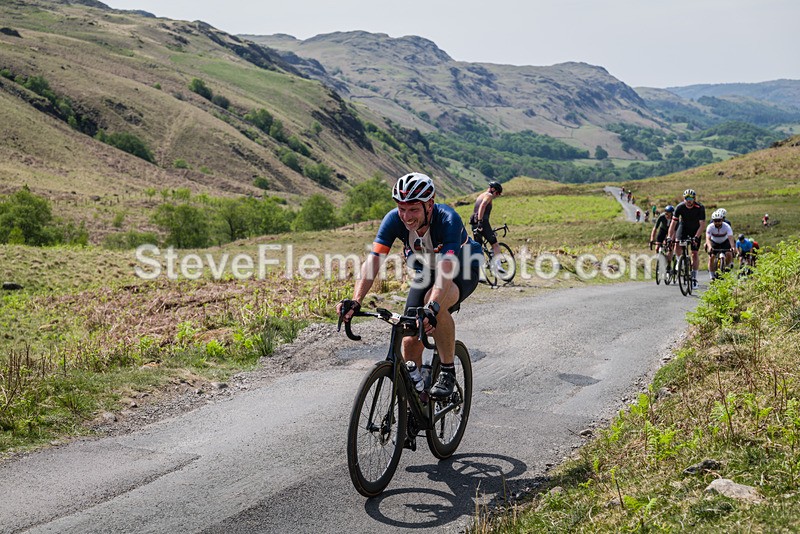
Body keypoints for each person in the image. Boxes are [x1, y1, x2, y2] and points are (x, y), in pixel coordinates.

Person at [337, 172, 482, 400]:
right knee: (408, 336)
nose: (406, 216)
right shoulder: (393, 219)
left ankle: (447, 372)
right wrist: (356, 300)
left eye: (413, 209)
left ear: (429, 205)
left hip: (462, 269)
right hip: (427, 271)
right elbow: (374, 260)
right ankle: (417, 395)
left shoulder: (448, 219)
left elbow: (445, 272)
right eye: (402, 208)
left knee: (432, 306)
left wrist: (433, 307)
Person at [668, 188, 706, 289]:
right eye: (687, 198)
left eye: (691, 198)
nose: (689, 200)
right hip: (683, 228)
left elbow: (702, 225)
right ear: (684, 199)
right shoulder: (679, 207)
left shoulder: (700, 207)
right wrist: (668, 237)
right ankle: (680, 261)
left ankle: (694, 278)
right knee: (677, 243)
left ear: (694, 199)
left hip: (695, 230)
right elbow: (673, 223)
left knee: (694, 254)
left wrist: (696, 237)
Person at [470, 181, 505, 271]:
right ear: (493, 189)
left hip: (473, 222)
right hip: (482, 222)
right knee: (495, 245)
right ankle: (497, 265)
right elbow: (483, 205)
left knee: (478, 247)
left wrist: (477, 222)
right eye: (497, 193)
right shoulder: (488, 195)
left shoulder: (481, 195)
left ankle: (478, 272)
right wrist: (480, 221)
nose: (497, 195)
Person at [705, 208, 735, 280]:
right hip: (714, 242)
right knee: (711, 257)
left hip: (725, 241)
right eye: (715, 221)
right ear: (713, 221)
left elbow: (730, 238)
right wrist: (709, 247)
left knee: (729, 254)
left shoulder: (727, 226)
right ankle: (712, 276)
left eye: (719, 220)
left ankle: (727, 266)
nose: (717, 223)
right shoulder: (710, 227)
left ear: (722, 220)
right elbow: (708, 239)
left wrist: (732, 247)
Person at [650, 205, 675, 270]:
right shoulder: (661, 216)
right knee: (657, 248)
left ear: (672, 213)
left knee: (670, 247)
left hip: (672, 231)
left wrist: (671, 240)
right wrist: (652, 239)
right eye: (666, 213)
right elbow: (655, 228)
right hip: (663, 230)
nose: (667, 215)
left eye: (668, 213)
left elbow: (675, 231)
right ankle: (661, 259)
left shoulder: (674, 218)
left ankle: (669, 264)